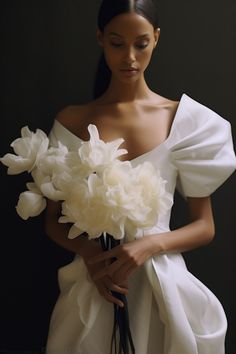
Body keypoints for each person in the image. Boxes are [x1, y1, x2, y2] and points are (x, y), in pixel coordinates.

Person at [45, 0, 236, 353]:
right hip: (97, 283)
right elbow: (54, 221)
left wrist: (148, 245)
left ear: (157, 39)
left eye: (141, 43)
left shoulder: (184, 122)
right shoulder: (72, 122)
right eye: (117, 43)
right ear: (100, 38)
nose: (129, 57)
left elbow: (205, 225)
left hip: (164, 287)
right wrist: (89, 254)